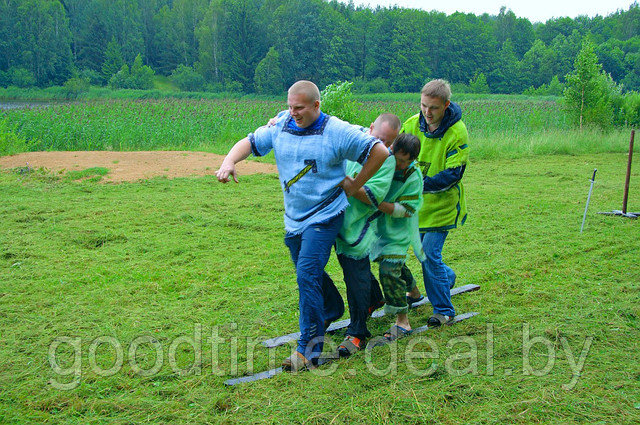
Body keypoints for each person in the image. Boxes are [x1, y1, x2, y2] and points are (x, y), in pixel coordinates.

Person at [215, 80, 389, 371]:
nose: (293, 112)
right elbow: (251, 141)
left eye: (299, 108)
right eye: (289, 106)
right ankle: (331, 308)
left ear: (316, 105)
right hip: (294, 217)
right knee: (306, 271)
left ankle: (308, 349)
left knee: (306, 274)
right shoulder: (282, 124)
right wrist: (229, 160)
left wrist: (355, 184)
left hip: (325, 214)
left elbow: (379, 151)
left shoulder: (335, 131)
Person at [400, 79, 469, 327]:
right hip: (416, 208)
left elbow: (453, 175)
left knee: (429, 254)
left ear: (446, 105)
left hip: (442, 207)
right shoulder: (411, 125)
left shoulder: (457, 132)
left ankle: (444, 310)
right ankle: (446, 277)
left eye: (434, 108)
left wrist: (416, 184)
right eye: (423, 106)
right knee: (424, 256)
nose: (427, 113)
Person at [332, 113, 401, 357]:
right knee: (351, 268)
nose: (381, 145)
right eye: (378, 138)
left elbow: (375, 196)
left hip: (361, 225)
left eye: (388, 142)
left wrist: (349, 184)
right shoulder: (356, 137)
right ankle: (374, 298)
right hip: (339, 219)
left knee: (355, 275)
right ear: (370, 127)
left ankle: (358, 331)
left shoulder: (388, 160)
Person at [370, 133, 425, 340]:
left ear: (413, 160)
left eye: (406, 161)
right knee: (392, 263)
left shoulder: (413, 175)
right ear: (391, 148)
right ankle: (414, 292)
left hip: (398, 230)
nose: (400, 165)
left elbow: (408, 209)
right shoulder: (383, 158)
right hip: (380, 226)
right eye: (397, 159)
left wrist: (376, 203)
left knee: (388, 270)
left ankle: (403, 321)